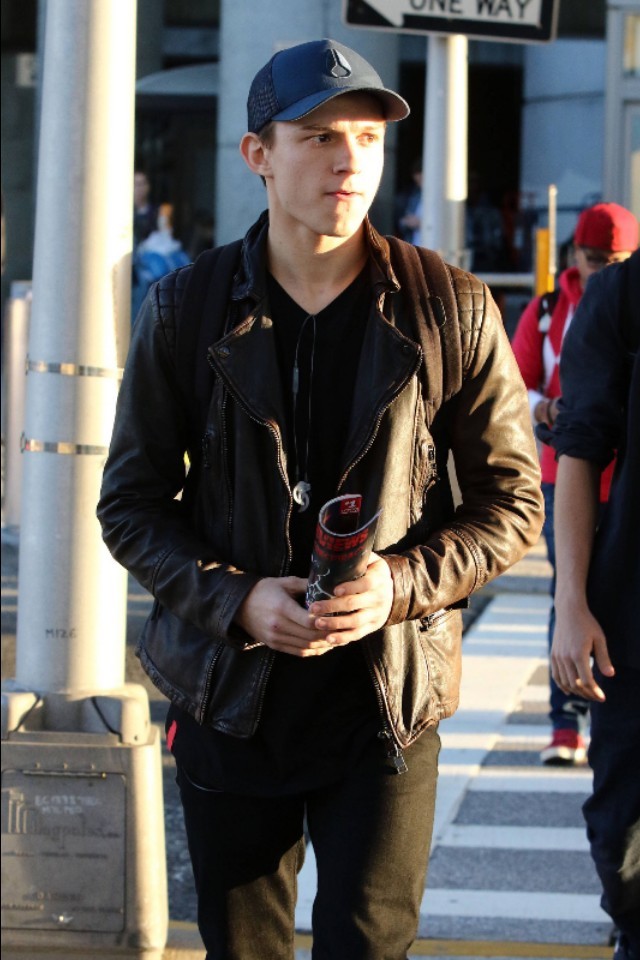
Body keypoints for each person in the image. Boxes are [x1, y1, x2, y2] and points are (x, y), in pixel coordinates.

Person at [98, 38, 543, 959]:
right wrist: (236, 599)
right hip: (230, 697)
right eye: (319, 137)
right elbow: (130, 504)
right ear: (257, 154)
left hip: (386, 701)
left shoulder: (450, 307)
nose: (349, 160)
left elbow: (512, 504)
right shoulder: (186, 308)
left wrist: (400, 584)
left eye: (367, 139)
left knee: (369, 946)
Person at [511, 202, 638, 766]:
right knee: (571, 594)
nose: (601, 268)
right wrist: (547, 409)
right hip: (567, 475)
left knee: (612, 600)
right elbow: (515, 384)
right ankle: (565, 721)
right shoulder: (547, 310)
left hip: (625, 481)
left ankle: (599, 708)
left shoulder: (622, 296)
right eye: (592, 258)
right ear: (574, 255)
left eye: (615, 259)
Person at [548, 249, 639, 960]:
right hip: (631, 616)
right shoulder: (621, 299)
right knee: (621, 841)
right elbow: (578, 451)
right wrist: (570, 602)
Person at [131, 203, 190, 318]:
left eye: (167, 218)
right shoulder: (147, 249)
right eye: (162, 217)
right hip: (153, 306)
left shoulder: (179, 253)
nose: (164, 222)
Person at [133, 169, 158, 248]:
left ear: (148, 186)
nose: (139, 188)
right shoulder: (124, 212)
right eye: (136, 184)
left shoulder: (155, 211)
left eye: (142, 184)